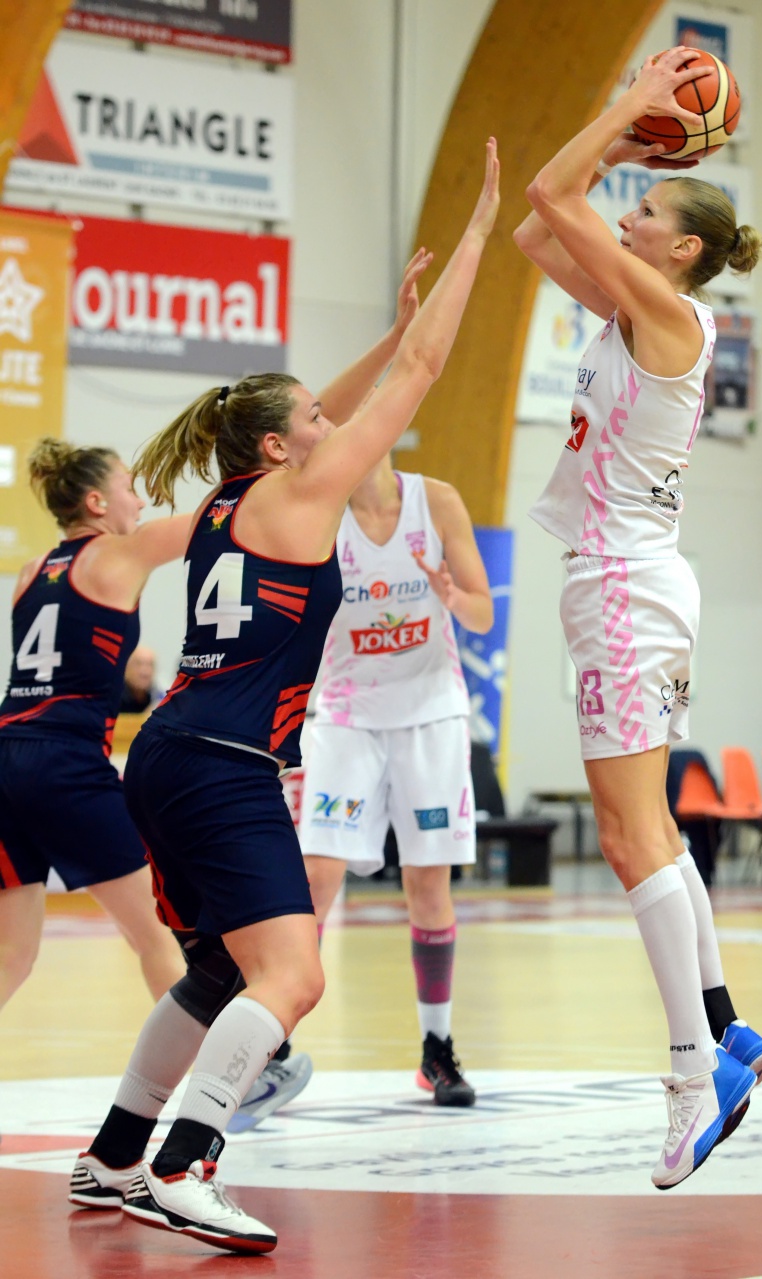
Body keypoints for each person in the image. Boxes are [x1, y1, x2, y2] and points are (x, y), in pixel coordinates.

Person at [68, 140, 500, 1254]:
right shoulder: (301, 498)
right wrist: (476, 234)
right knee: (292, 974)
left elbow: (343, 399)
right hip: (221, 762)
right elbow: (425, 371)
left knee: (219, 968)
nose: (331, 427)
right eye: (312, 419)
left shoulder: (223, 504)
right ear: (279, 444)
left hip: (166, 751)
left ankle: (113, 1152)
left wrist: (385, 337)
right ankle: (184, 1163)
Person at [513, 49, 762, 1190]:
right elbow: (538, 233)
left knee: (626, 838)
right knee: (652, 830)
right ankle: (722, 1025)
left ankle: (689, 1074)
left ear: (680, 251)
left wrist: (625, 109)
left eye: (648, 210)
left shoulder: (665, 314)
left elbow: (546, 193)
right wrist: (628, 141)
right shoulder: (639, 308)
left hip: (623, 586)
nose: (625, 214)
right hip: (632, 582)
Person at [231, 451, 493, 1131]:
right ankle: (274, 1046)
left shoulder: (436, 500)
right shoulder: (320, 513)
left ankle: (437, 1046)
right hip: (347, 713)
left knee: (428, 884)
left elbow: (483, 614)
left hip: (430, 712)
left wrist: (451, 596)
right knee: (316, 879)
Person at [0, 441, 188, 1014]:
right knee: (158, 934)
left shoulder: (31, 572)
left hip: (6, 753)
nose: (141, 501)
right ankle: (224, 1063)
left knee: (11, 954)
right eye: (130, 487)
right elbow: (226, 518)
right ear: (96, 502)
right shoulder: (121, 553)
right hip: (64, 761)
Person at [119, 646, 163, 714]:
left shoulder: (158, 700)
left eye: (150, 665)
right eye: (139, 664)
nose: (145, 672)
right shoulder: (112, 699)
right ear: (126, 668)